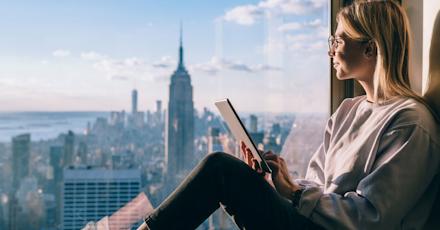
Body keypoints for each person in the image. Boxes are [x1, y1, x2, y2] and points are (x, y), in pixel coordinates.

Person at [138, 1, 440, 229]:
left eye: (338, 41)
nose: (330, 51)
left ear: (371, 49)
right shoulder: (349, 110)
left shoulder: (410, 123)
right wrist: (278, 181)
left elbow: (372, 218)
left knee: (220, 170)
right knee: (227, 173)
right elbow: (317, 185)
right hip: (312, 223)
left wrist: (295, 194)